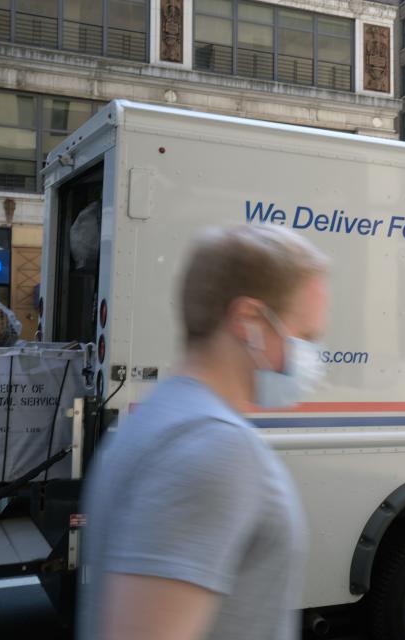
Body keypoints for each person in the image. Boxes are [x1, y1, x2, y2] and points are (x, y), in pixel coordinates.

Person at [77, 224, 329, 640]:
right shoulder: (216, 447)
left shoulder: (154, 418)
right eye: (304, 336)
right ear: (248, 320)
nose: (312, 358)